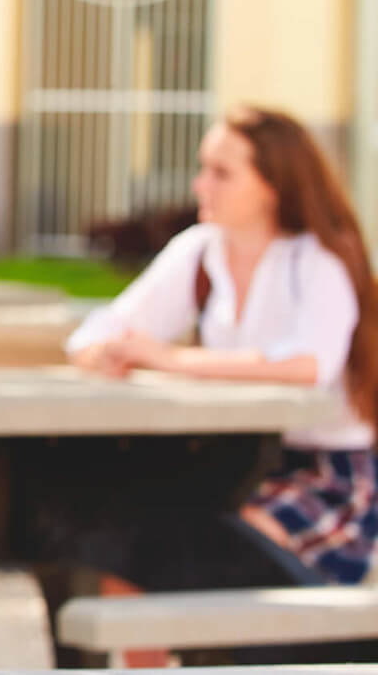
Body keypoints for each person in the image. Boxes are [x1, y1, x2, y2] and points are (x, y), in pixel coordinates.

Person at [67, 105, 378, 586]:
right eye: (203, 169)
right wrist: (105, 353)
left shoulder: (318, 259)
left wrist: (170, 359)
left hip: (321, 471)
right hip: (229, 461)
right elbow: (97, 332)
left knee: (216, 553)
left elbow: (309, 365)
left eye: (221, 173)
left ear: (274, 184)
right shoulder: (199, 250)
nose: (200, 185)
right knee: (120, 546)